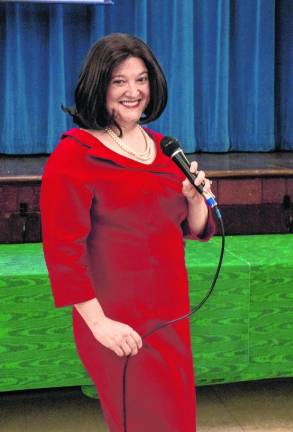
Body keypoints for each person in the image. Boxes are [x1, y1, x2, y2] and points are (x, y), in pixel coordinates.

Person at [40, 33, 215, 432]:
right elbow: (63, 253)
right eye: (119, 81)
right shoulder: (75, 156)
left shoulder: (165, 149)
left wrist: (194, 200)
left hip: (171, 317)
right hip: (119, 324)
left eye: (142, 79)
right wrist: (99, 324)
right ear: (99, 85)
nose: (133, 91)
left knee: (176, 421)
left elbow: (192, 229)